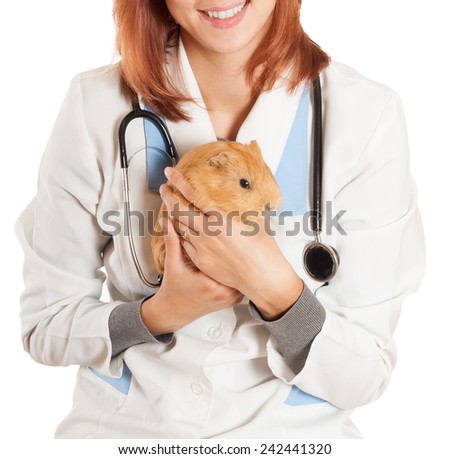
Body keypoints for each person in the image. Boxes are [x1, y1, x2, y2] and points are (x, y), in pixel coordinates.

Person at [16, 0, 425, 439]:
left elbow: (365, 374)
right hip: (124, 436)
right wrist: (161, 313)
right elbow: (46, 327)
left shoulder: (367, 117)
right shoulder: (93, 105)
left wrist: (273, 288)